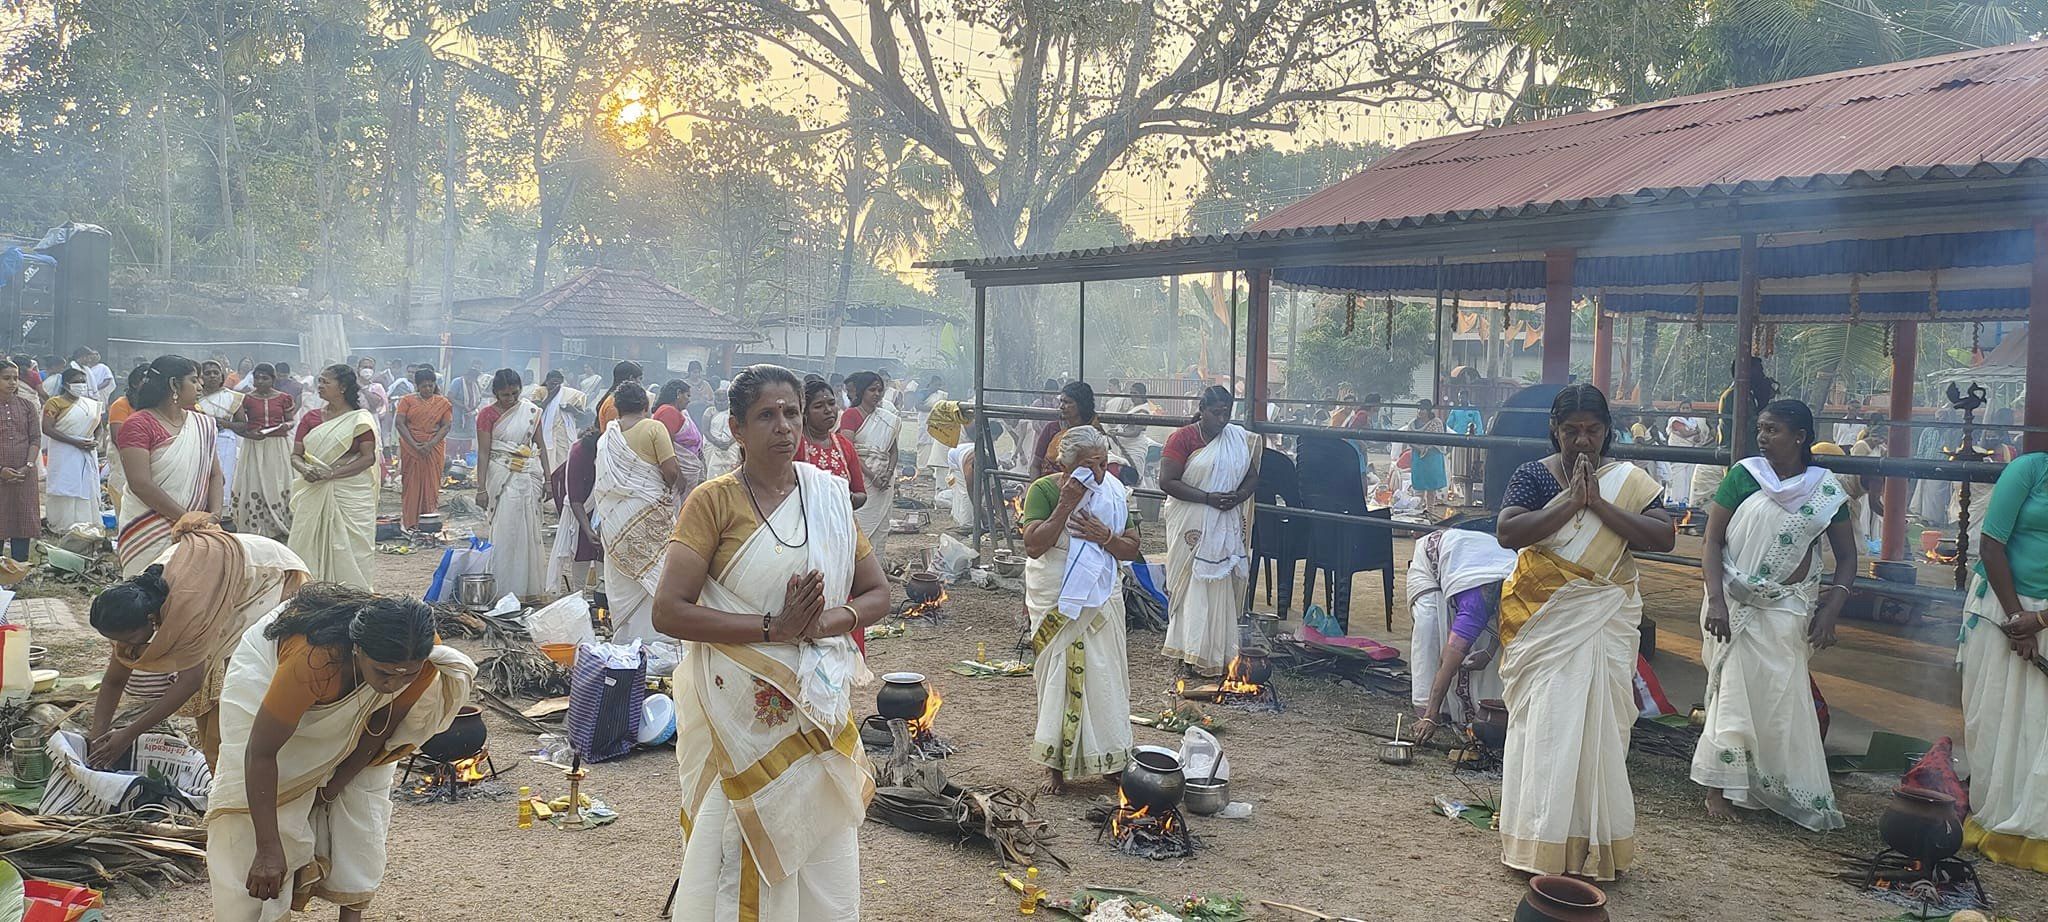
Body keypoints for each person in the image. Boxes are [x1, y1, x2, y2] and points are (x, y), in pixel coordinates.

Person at [652, 364, 889, 921]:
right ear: (736, 428)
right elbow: (667, 610)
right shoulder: (712, 502)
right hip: (739, 711)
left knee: (824, 855)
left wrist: (827, 622)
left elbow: (877, 593)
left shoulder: (828, 497)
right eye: (766, 415)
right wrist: (771, 630)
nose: (783, 426)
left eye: (790, 413)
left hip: (816, 700)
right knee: (735, 849)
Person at [205, 586, 476, 922]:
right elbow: (260, 753)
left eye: (405, 674)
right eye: (385, 673)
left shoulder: (417, 658)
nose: (394, 683)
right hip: (269, 676)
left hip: (344, 686)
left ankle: (352, 915)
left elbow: (381, 727)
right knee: (259, 817)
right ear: (358, 650)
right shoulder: (315, 661)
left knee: (363, 801)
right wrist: (268, 849)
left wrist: (333, 787)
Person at [1492, 384, 1673, 880]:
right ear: (1555, 431)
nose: (1582, 441)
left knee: (1602, 732)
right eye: (1571, 431)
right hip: (1547, 620)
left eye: (1592, 430)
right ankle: (1539, 845)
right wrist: (1571, 501)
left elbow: (1663, 535)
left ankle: (1597, 848)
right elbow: (1508, 532)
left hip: (1604, 615)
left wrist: (1598, 505)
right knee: (1548, 728)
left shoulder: (1630, 482)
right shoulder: (1535, 474)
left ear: (1607, 431)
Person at [1693, 399, 1853, 830]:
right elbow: (1711, 542)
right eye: (1761, 428)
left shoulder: (1825, 491)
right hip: (1733, 601)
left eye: (1773, 430)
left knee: (1780, 694)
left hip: (1788, 605)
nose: (1763, 437)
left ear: (1800, 437)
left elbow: (1848, 557)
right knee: (1733, 692)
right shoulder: (1744, 476)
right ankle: (1719, 787)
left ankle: (1769, 784)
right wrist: (1718, 600)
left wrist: (1830, 610)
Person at [87, 521, 308, 767]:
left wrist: (128, 734)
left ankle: (233, 762)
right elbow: (114, 679)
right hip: (226, 573)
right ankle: (219, 761)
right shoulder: (138, 599)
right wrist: (96, 737)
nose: (125, 646)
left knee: (229, 680)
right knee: (214, 681)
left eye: (127, 639)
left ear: (151, 620)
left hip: (270, 577)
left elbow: (190, 681)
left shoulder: (186, 610)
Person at [1019, 425, 1138, 795]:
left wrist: (1107, 538)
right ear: (1065, 466)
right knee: (1057, 676)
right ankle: (1054, 763)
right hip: (1056, 596)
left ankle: (1110, 759)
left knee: (1104, 675)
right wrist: (1066, 504)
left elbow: (1132, 548)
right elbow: (1034, 546)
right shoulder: (1044, 490)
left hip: (1101, 599)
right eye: (1089, 465)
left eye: (1103, 464)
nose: (1098, 474)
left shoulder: (1114, 493)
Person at [1955, 449, 2048, 871]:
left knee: (2038, 729)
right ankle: (1993, 818)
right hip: (1999, 609)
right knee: (1992, 721)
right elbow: (1991, 544)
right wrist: (2017, 618)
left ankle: (2035, 832)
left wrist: (2039, 620)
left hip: (2042, 617)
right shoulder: (2030, 469)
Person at [1159, 386, 1260, 676]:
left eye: (1227, 412)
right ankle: (1188, 652)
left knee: (1218, 587)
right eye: (1216, 412)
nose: (1222, 418)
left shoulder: (1235, 438)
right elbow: (1167, 481)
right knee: (1191, 585)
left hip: (1224, 518)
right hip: (1191, 520)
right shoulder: (1183, 438)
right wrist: (1207, 498)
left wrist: (1236, 498)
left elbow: (1252, 477)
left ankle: (1218, 654)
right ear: (1202, 410)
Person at [116, 355, 223, 576]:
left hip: (197, 526)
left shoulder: (202, 423)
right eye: (193, 380)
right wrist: (186, 518)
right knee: (148, 596)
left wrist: (214, 516)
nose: (200, 386)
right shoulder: (138, 424)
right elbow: (140, 484)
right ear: (174, 384)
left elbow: (215, 475)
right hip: (148, 528)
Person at [1407, 527, 1516, 729]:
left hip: (1473, 556)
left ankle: (1459, 711)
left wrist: (1490, 652)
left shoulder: (1519, 594)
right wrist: (1430, 715)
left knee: (1481, 640)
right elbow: (1446, 662)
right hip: (1431, 557)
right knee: (1430, 624)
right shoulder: (1475, 606)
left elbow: (1503, 625)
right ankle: (1425, 710)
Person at [594, 383, 678, 643]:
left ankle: (626, 638)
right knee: (658, 570)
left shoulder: (606, 437)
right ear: (646, 406)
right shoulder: (654, 428)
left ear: (617, 408)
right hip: (649, 512)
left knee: (625, 576)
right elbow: (671, 471)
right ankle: (658, 639)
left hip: (615, 521)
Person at [287, 365, 380, 590]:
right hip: (314, 489)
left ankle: (353, 593)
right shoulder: (310, 418)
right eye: (319, 381)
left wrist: (332, 474)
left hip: (352, 492)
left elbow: (368, 458)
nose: (320, 386)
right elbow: (296, 456)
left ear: (343, 387)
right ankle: (313, 592)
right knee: (309, 543)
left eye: (326, 382)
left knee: (354, 546)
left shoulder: (359, 420)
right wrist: (305, 470)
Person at [475, 368, 548, 601]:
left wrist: (549, 478)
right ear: (496, 393)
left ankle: (527, 591)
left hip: (526, 476)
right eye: (505, 395)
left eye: (515, 394)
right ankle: (503, 590)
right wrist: (481, 488)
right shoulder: (487, 415)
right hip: (501, 476)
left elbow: (541, 446)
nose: (511, 399)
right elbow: (484, 453)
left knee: (527, 531)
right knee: (506, 532)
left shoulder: (531, 413)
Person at [229, 364, 297, 540]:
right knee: (255, 480)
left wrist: (284, 426)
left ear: (273, 379)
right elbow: (241, 424)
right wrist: (249, 434)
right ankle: (256, 526)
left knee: (277, 481)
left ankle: (279, 523)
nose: (260, 381)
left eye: (264, 378)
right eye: (257, 378)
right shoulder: (246, 399)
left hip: (277, 445)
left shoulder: (284, 398)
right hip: (254, 446)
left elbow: (291, 421)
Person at [841, 371, 900, 556]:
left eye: (880, 390)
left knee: (882, 526)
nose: (876, 394)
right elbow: (848, 450)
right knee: (859, 523)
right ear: (861, 392)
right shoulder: (850, 415)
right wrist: (872, 476)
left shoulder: (887, 418)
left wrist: (888, 474)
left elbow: (893, 450)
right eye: (872, 390)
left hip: (884, 479)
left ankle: (877, 568)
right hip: (861, 478)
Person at [41, 366, 103, 533]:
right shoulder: (54, 403)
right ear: (66, 383)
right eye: (76, 382)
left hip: (87, 450)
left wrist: (95, 441)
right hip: (64, 450)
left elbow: (99, 427)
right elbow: (47, 428)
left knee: (87, 485)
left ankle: (86, 524)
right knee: (65, 485)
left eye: (83, 382)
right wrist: (74, 442)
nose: (81, 385)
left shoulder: (91, 404)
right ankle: (62, 525)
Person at [545, 427, 603, 597]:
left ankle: (603, 590)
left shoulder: (609, 452)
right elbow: (575, 499)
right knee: (582, 547)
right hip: (582, 506)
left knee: (603, 549)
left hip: (603, 506)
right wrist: (587, 528)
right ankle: (579, 594)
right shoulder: (578, 455)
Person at [794, 377, 867, 510]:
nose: (828, 410)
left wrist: (845, 498)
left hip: (841, 525)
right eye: (818, 406)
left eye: (831, 403)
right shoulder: (794, 445)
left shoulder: (844, 445)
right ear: (804, 411)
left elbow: (861, 494)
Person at [393, 368, 452, 530]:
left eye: (431, 385)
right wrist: (414, 444)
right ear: (417, 386)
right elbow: (400, 423)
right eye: (424, 386)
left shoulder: (443, 403)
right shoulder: (407, 400)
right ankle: (411, 523)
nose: (428, 389)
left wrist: (430, 444)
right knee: (411, 484)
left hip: (433, 448)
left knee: (431, 483)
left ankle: (429, 521)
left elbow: (446, 426)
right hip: (411, 447)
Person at [0, 360, 39, 562]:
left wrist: (28, 466)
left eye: (15, 378)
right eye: (6, 378)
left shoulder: (27, 406)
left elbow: (35, 438)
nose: (12, 382)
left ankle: (18, 569)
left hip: (25, 473)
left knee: (22, 519)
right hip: (1, 473)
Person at [652, 379, 708, 501]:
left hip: (687, 468)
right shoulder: (668, 411)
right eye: (687, 395)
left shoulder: (678, 412)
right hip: (679, 472)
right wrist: (679, 476)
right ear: (678, 393)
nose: (689, 400)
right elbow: (668, 448)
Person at [198, 359, 246, 496]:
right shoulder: (192, 398)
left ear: (221, 376)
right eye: (207, 373)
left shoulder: (232, 397)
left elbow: (243, 425)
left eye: (215, 373)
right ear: (201, 378)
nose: (212, 376)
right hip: (200, 442)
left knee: (224, 476)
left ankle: (223, 509)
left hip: (225, 442)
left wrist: (225, 424)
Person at [106, 365, 149, 519]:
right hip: (126, 457)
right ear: (134, 383)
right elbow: (118, 437)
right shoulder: (121, 404)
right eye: (145, 380)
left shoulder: (155, 405)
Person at [532, 369, 586, 484]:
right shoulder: (540, 392)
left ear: (562, 382)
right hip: (545, 433)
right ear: (546, 382)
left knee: (564, 463)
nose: (555, 386)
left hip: (564, 435)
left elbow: (582, 416)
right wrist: (551, 396)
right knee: (546, 460)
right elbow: (536, 411)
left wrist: (572, 409)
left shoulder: (571, 394)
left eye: (557, 384)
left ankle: (564, 485)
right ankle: (547, 484)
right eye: (552, 383)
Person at [1408, 398, 1449, 508]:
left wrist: (1427, 448)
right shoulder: (1412, 424)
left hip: (1432, 458)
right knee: (1418, 487)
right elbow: (1408, 439)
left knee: (1431, 488)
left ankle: (1430, 511)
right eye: (1418, 409)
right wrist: (1419, 447)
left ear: (1429, 410)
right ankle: (1416, 510)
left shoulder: (1436, 423)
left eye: (1423, 409)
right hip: (1418, 458)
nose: (1420, 411)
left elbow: (1439, 440)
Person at [444, 359, 484, 464]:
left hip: (469, 418)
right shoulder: (457, 382)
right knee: (452, 444)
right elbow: (450, 397)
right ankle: (449, 463)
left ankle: (463, 464)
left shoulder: (476, 384)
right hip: (457, 417)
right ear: (467, 376)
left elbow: (479, 398)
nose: (472, 380)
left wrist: (473, 407)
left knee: (466, 446)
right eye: (471, 378)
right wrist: (463, 406)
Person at [594, 360, 643, 431]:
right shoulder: (613, 403)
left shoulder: (620, 400)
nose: (640, 383)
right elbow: (616, 434)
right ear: (631, 378)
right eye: (639, 379)